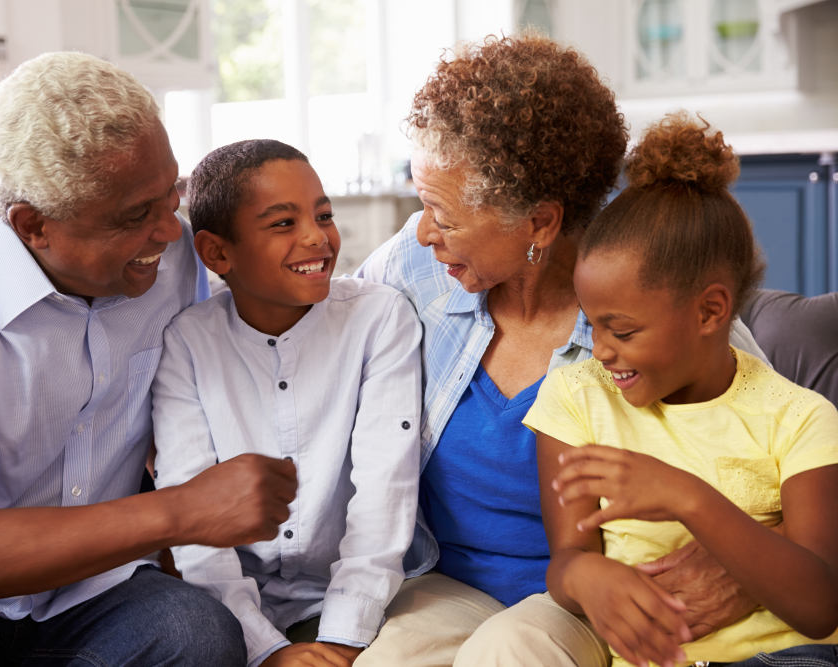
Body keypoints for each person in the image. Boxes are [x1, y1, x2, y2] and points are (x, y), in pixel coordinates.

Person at [0, 52, 297, 666]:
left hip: (88, 588)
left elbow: (287, 308)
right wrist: (183, 510)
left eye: (173, 195)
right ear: (32, 226)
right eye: (137, 215)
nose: (169, 230)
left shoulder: (170, 258)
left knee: (199, 635)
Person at [354, 34, 771, 666]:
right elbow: (314, 348)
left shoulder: (646, 307)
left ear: (541, 224)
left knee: (509, 655)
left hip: (590, 598)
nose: (422, 231)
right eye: (422, 202)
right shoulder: (414, 268)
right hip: (444, 580)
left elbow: (787, 448)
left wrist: (750, 563)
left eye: (443, 213)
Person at [527, 113, 838, 667]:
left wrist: (687, 498)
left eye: (622, 330)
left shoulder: (800, 419)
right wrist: (584, 575)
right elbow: (567, 558)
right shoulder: (577, 398)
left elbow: (819, 606)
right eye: (591, 323)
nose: (599, 349)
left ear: (710, 311)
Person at [152, 139, 422, 667]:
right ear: (216, 253)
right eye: (282, 223)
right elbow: (194, 520)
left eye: (324, 215)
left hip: (359, 600)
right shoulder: (185, 342)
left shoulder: (379, 320)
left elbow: (384, 493)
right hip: (228, 614)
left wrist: (343, 640)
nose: (316, 238)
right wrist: (267, 650)